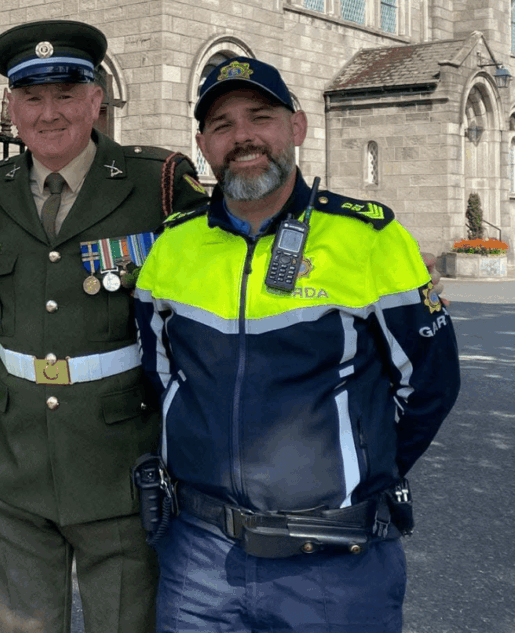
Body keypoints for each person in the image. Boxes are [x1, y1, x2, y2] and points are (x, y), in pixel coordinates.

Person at [133, 56, 461, 632]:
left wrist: (358, 469)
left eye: (260, 116)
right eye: (222, 124)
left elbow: (430, 383)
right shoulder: (172, 246)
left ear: (298, 127)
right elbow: (160, 374)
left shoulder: (368, 239)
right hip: (200, 559)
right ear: (203, 144)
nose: (243, 137)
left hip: (335, 560)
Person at [0, 20, 209, 633]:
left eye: (66, 94)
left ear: (96, 100)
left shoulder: (157, 181)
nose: (49, 113)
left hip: (120, 458)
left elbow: (234, 257)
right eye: (31, 96)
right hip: (11, 458)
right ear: (11, 106)